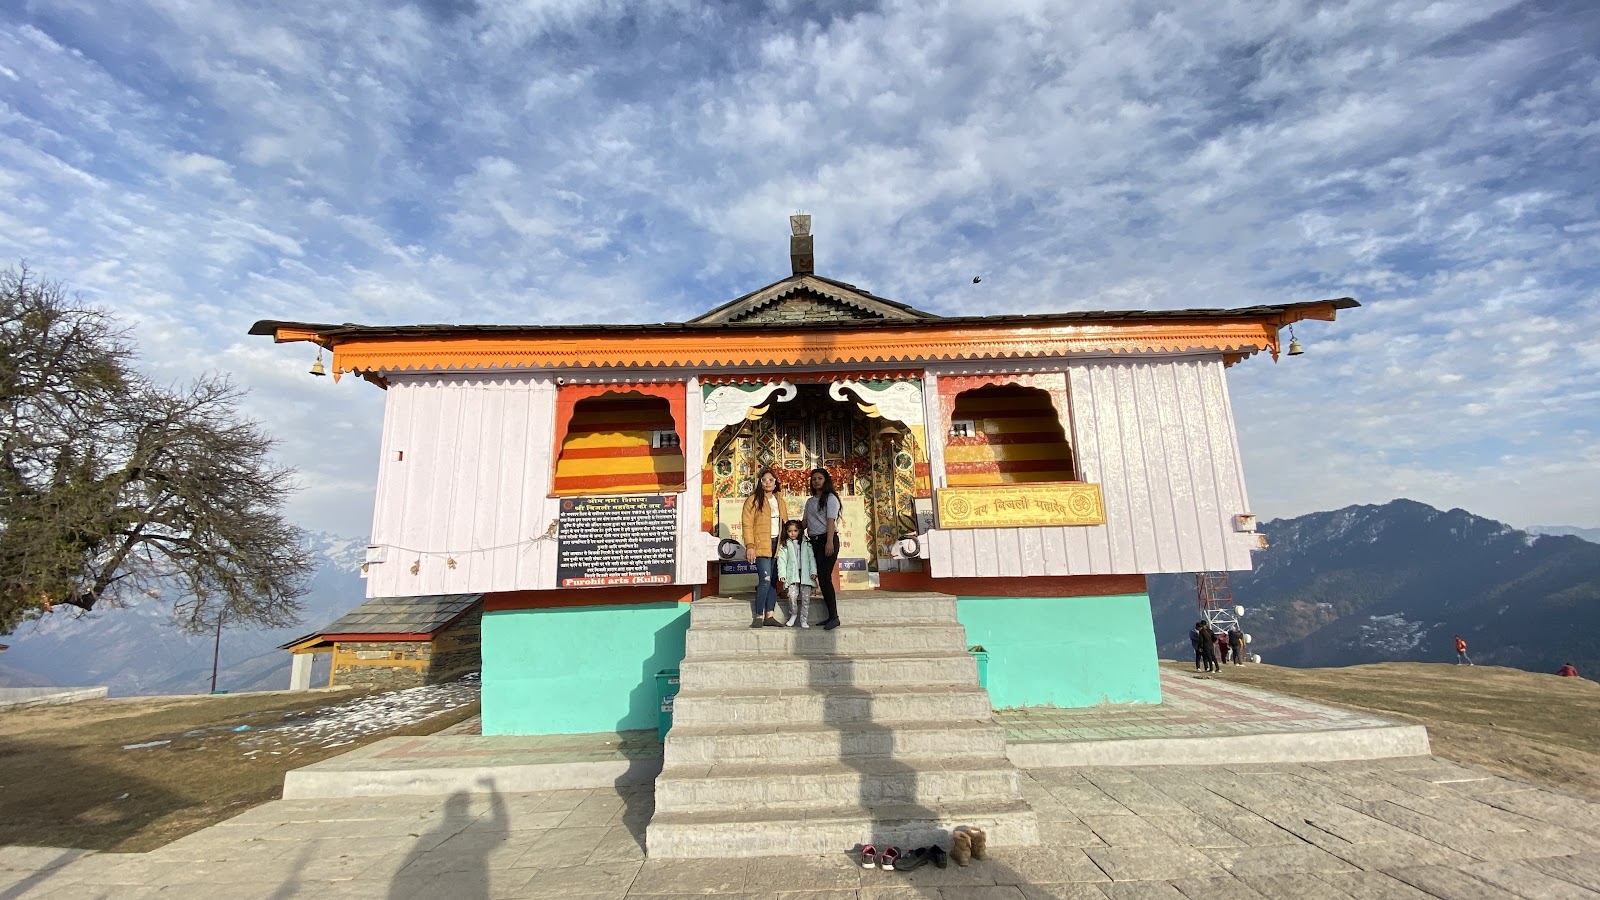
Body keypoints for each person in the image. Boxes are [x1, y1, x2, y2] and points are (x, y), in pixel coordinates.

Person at [741, 468, 790, 628]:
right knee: (765, 580)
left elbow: (785, 524)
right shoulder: (753, 500)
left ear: (776, 483)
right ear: (760, 482)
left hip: (778, 545)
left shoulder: (780, 501)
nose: (768, 483)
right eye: (764, 480)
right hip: (761, 544)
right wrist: (750, 545)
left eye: (771, 480)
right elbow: (747, 525)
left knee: (774, 581)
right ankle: (759, 616)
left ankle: (770, 615)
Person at [804, 467, 843, 631]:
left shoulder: (831, 498)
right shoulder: (810, 501)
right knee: (821, 577)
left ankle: (834, 617)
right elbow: (804, 522)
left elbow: (830, 521)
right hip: (814, 541)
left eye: (819, 478)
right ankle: (829, 617)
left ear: (825, 480)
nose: (816, 481)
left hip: (828, 540)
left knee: (825, 577)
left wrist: (829, 542)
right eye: (814, 479)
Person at [777, 519, 819, 628]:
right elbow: (782, 560)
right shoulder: (785, 545)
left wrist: (813, 571)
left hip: (806, 575)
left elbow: (811, 559)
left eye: (795, 530)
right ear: (786, 532)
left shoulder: (806, 543)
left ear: (800, 530)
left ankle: (804, 619)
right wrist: (782, 574)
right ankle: (793, 614)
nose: (793, 533)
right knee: (792, 596)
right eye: (790, 531)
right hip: (792, 575)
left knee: (805, 599)